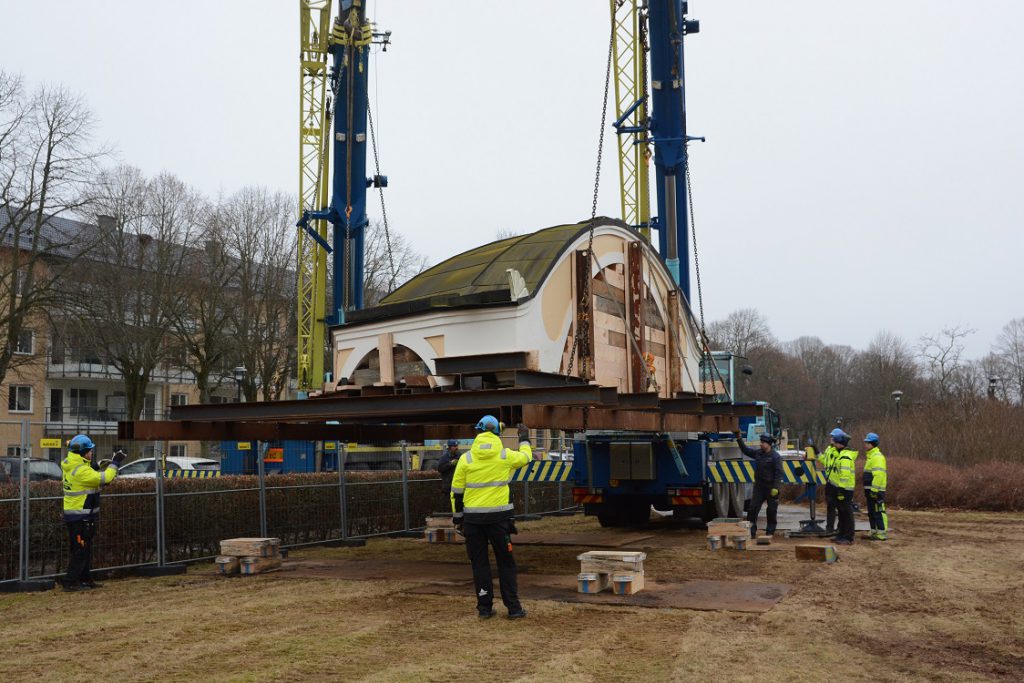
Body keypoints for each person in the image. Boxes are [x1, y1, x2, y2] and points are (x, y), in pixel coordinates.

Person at [451, 416, 539, 619]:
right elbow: (526, 457)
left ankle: (484, 609)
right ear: (497, 432)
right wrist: (524, 437)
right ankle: (514, 608)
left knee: (479, 564)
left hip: (473, 522)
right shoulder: (505, 456)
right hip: (500, 522)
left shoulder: (466, 459)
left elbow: (456, 492)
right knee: (506, 563)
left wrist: (458, 520)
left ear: (478, 432)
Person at [61, 434, 126, 591]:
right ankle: (70, 583)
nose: (91, 453)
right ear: (82, 453)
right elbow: (106, 477)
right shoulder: (81, 471)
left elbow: (89, 476)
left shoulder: (72, 465)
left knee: (84, 550)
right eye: (90, 451)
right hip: (81, 517)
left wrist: (96, 465)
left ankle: (85, 579)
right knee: (81, 551)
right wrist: (116, 462)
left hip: (78, 517)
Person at [736, 432, 784, 539]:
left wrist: (776, 487)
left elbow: (779, 472)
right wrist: (739, 438)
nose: (761, 444)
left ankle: (770, 532)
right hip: (759, 487)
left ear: (769, 444)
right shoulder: (758, 453)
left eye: (763, 442)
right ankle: (751, 532)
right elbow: (745, 450)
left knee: (771, 510)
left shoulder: (776, 457)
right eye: (761, 442)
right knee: (753, 509)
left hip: (771, 487)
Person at [827, 431, 858, 545]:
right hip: (842, 489)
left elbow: (844, 475)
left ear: (840, 444)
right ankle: (842, 534)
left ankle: (848, 537)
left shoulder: (845, 457)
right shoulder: (841, 454)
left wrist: (841, 490)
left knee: (846, 513)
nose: (834, 444)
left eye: (835, 442)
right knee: (842, 513)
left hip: (845, 490)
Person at [862, 432, 889, 541]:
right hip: (871, 490)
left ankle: (881, 533)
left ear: (873, 444)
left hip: (876, 490)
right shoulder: (871, 457)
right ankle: (874, 531)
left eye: (867, 443)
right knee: (871, 512)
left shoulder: (877, 457)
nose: (865, 445)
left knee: (878, 512)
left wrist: (874, 490)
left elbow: (878, 475)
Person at [821, 428, 847, 535]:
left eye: (833, 437)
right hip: (830, 482)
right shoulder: (829, 449)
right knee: (830, 507)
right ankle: (829, 528)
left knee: (841, 508)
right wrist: (817, 454)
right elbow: (826, 461)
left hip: (839, 484)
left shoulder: (840, 451)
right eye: (831, 436)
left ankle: (840, 528)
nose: (831, 438)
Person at [437, 439, 461, 511]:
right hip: (447, 484)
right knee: (446, 502)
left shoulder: (460, 456)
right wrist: (450, 464)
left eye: (457, 445)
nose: (456, 447)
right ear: (450, 447)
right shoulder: (444, 457)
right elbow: (440, 468)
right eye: (454, 446)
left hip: (457, 484)